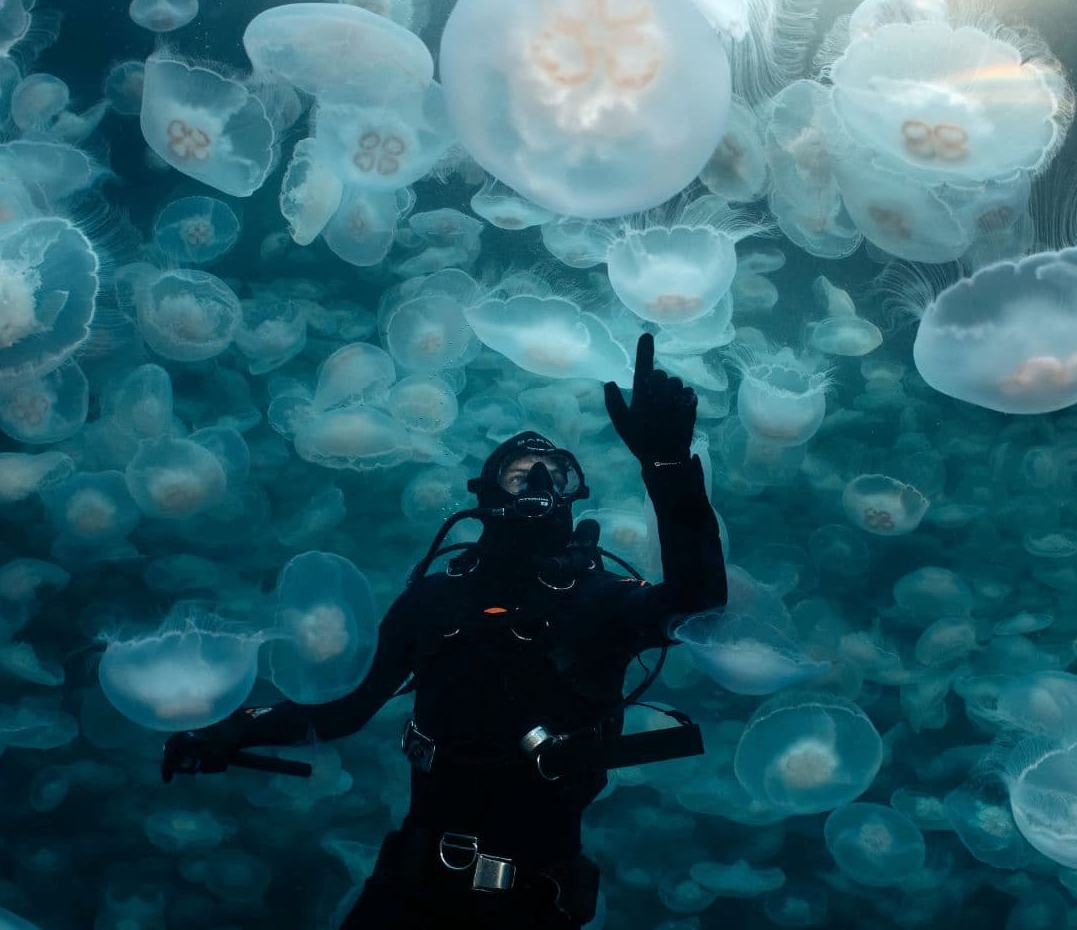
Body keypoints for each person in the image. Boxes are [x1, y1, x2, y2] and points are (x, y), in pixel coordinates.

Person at [161, 333, 727, 928]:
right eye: (518, 473)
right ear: (485, 496)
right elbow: (344, 708)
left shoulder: (604, 602)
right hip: (412, 883)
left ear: (574, 495)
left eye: (555, 475)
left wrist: (667, 468)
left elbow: (698, 605)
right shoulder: (435, 598)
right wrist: (231, 731)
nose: (537, 485)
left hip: (535, 896)